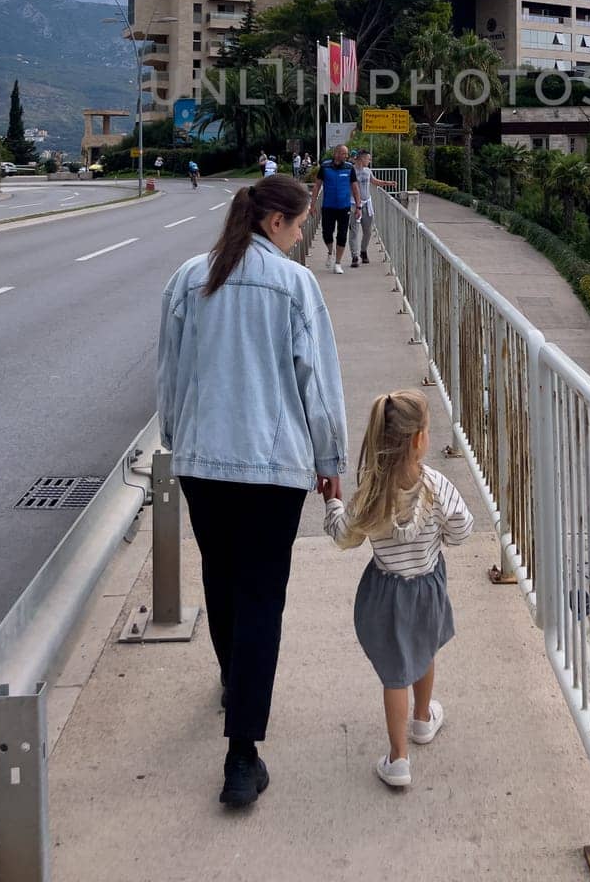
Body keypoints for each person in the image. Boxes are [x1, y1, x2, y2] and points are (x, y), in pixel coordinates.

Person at [157, 176, 347, 810]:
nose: (302, 238)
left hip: (202, 462)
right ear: (273, 222)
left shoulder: (189, 278)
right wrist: (330, 462)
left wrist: (176, 440)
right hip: (273, 470)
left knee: (220, 578)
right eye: (298, 227)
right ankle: (242, 754)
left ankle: (232, 683)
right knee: (263, 596)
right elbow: (317, 384)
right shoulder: (296, 287)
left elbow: (170, 371)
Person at [324, 388, 473, 789]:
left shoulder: (372, 491)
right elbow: (462, 528)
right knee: (422, 649)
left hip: (385, 595)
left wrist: (332, 505)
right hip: (426, 588)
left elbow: (345, 536)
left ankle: (398, 759)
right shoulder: (437, 487)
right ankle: (422, 719)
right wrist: (439, 534)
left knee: (395, 673)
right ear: (420, 439)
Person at [315, 142, 361, 274]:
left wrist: (358, 206)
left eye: (347, 154)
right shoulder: (325, 167)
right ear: (336, 153)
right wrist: (312, 205)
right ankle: (330, 251)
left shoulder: (349, 168)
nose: (346, 156)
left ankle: (338, 263)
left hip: (344, 206)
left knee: (342, 234)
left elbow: (355, 187)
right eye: (343, 153)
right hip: (328, 206)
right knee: (327, 233)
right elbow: (317, 186)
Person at [348, 147, 390, 268]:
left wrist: (387, 183)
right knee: (354, 231)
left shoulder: (367, 170)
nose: (369, 161)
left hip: (367, 204)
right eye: (368, 159)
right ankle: (354, 256)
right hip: (354, 204)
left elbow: (374, 181)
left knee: (367, 231)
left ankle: (363, 251)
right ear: (361, 158)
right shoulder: (351, 171)